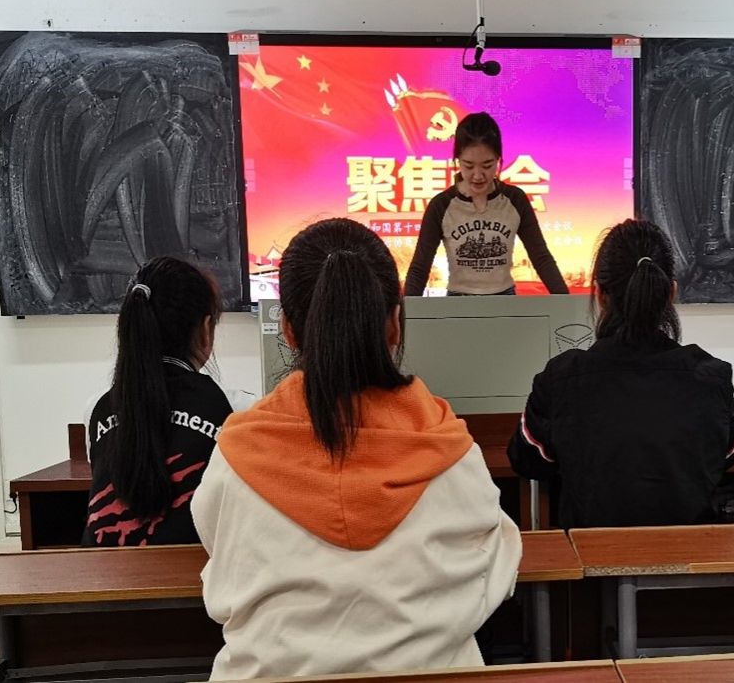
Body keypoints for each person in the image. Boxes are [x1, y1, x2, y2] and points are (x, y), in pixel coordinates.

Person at [192, 218, 521, 679]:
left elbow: (219, 552)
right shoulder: (450, 449)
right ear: (395, 324)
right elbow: (495, 569)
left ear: (287, 329)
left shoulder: (236, 454)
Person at [507, 219, 734, 528]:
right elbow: (725, 455)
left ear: (600, 295)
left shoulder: (561, 378)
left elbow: (527, 460)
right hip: (686, 555)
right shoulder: (712, 377)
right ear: (671, 292)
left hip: (589, 554)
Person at [82, 257, 229, 547]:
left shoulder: (97, 410)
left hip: (102, 571)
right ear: (206, 330)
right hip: (195, 572)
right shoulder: (231, 408)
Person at [404, 112, 568, 296]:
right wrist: (405, 311)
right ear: (457, 160)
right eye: (468, 165)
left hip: (504, 299)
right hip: (458, 301)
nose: (478, 175)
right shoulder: (441, 205)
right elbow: (420, 268)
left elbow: (541, 258)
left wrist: (567, 303)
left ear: (499, 160)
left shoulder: (515, 200)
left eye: (487, 165)